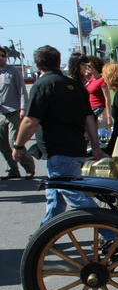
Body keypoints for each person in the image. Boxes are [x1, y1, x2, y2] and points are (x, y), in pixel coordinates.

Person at [12, 46, 110, 226]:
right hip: (74, 148)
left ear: (38, 65)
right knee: (55, 198)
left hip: (58, 151)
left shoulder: (43, 85)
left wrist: (18, 145)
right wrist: (95, 147)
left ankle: (112, 230)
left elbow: (30, 121)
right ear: (58, 62)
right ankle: (44, 235)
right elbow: (89, 119)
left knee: (76, 198)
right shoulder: (76, 87)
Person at [0, 46, 35, 179]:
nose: (1, 58)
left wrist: (23, 108)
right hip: (0, 113)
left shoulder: (13, 72)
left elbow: (22, 91)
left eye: (3, 55)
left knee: (14, 141)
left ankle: (29, 166)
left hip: (13, 112)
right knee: (2, 143)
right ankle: (12, 170)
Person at [86, 55, 112, 131]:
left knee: (102, 132)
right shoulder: (91, 80)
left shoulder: (102, 80)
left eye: (89, 65)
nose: (88, 67)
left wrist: (108, 116)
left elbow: (107, 98)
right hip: (92, 111)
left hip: (101, 112)